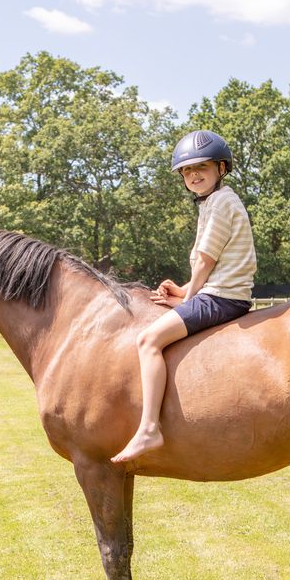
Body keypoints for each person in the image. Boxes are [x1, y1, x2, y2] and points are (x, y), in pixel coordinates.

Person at [112, 130, 257, 463]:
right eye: (188, 171)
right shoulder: (215, 202)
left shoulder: (221, 202)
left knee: (148, 340)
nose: (194, 175)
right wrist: (183, 291)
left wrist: (190, 296)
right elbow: (212, 263)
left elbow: (206, 258)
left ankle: (149, 428)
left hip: (221, 297)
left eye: (202, 167)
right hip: (218, 292)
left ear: (221, 168)